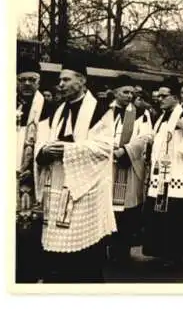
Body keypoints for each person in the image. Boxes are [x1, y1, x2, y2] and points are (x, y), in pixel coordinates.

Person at [35, 56, 116, 283]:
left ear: (82, 81)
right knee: (55, 246)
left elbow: (103, 147)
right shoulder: (57, 109)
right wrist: (44, 152)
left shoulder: (100, 110)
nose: (60, 84)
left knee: (85, 253)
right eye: (60, 80)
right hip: (57, 185)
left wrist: (67, 151)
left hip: (86, 190)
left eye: (66, 79)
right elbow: (42, 140)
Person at [142, 77, 183, 268]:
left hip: (178, 172)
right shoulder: (163, 115)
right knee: (161, 214)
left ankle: (175, 254)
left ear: (176, 98)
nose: (160, 99)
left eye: (164, 96)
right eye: (159, 96)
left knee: (176, 216)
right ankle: (163, 251)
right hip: (163, 173)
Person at [107, 75, 153, 264]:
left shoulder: (141, 113)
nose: (129, 95)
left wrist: (124, 150)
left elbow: (146, 136)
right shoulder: (104, 110)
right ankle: (106, 247)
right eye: (125, 92)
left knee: (126, 212)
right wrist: (109, 149)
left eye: (131, 93)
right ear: (115, 92)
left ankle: (123, 249)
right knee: (107, 208)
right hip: (107, 166)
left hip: (128, 164)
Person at [16, 57, 52, 283]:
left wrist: (31, 166)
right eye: (23, 79)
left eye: (32, 79)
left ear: (39, 82)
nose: (27, 83)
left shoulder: (48, 108)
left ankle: (30, 274)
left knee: (30, 228)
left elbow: (47, 143)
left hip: (33, 176)